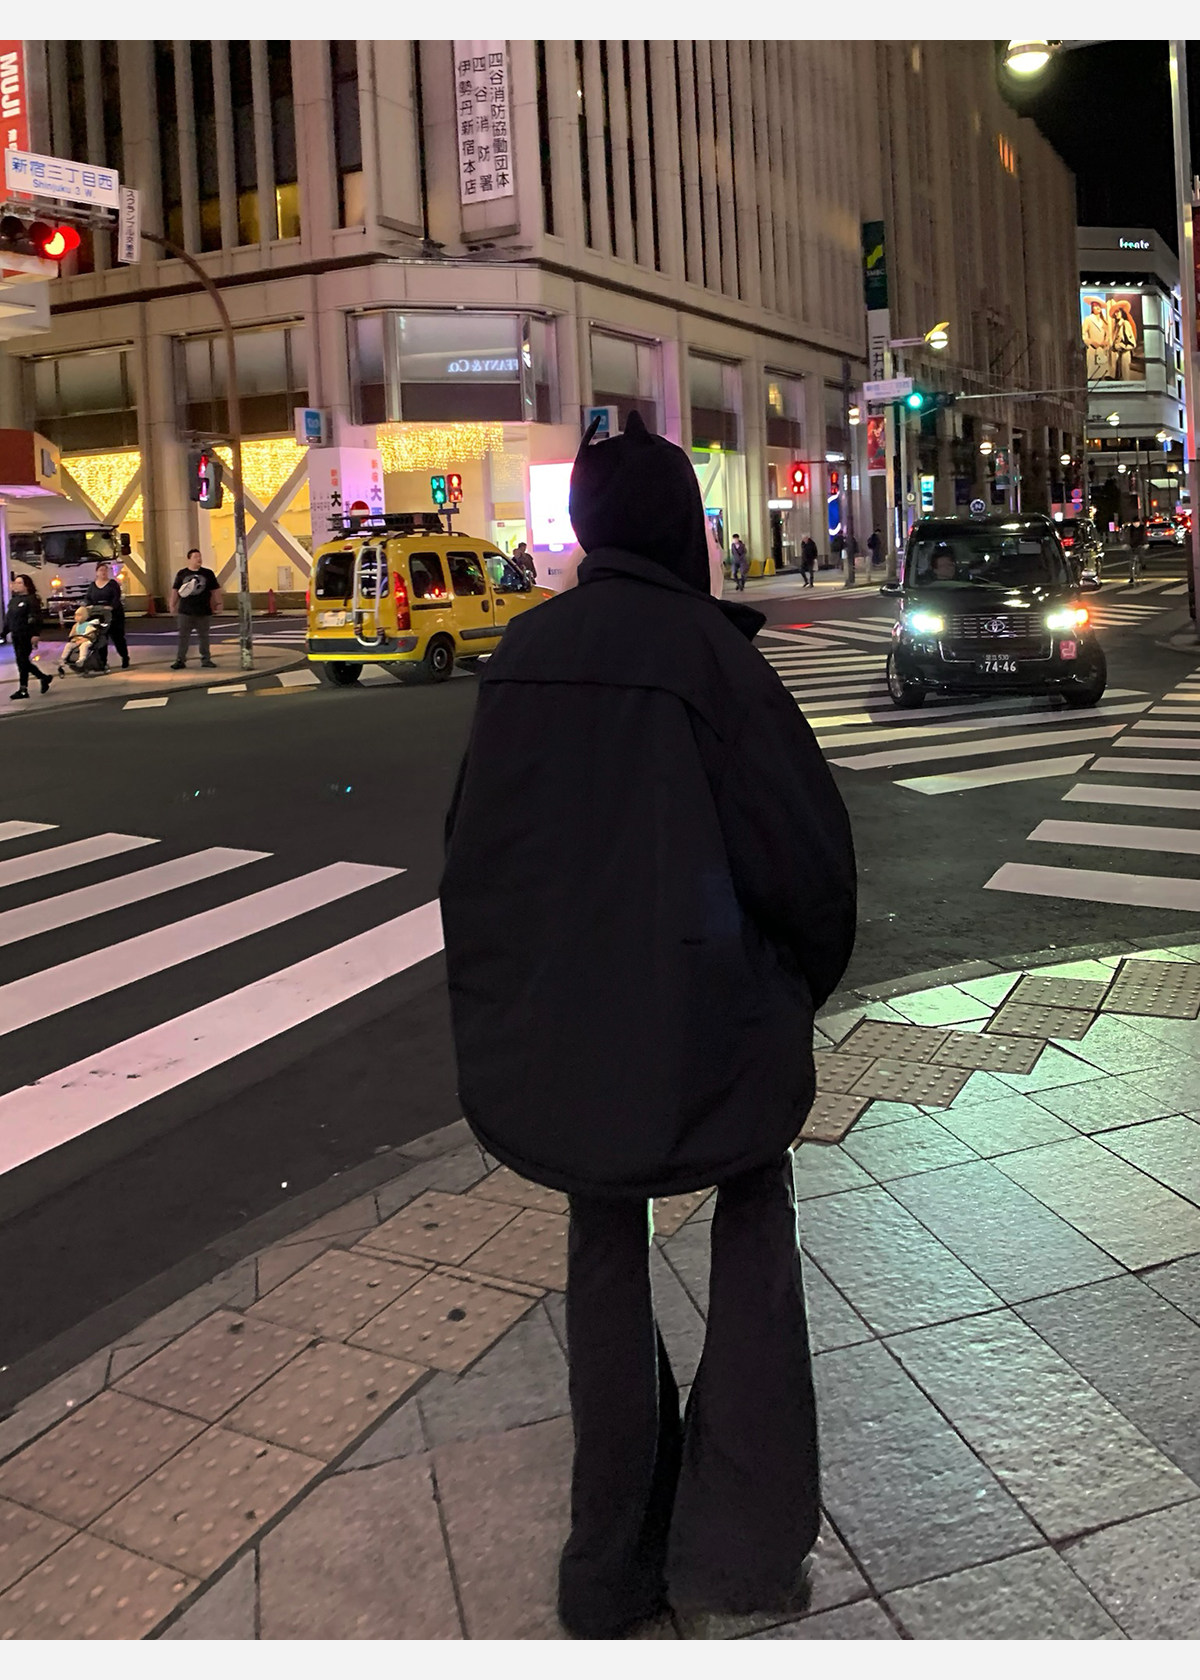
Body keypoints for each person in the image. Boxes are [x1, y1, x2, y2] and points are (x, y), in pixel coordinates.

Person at [441, 409, 857, 1639]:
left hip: (567, 1029)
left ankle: (608, 1565)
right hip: (715, 1017)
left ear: (586, 527)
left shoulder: (524, 654)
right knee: (753, 1229)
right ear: (685, 529)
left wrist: (517, 999)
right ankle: (738, 1557)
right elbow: (807, 863)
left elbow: (477, 859)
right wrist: (789, 986)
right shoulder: (715, 663)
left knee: (603, 1246)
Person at [2, 574, 55, 700]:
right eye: (15, 582)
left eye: (20, 583)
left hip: (26, 634)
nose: (16, 585)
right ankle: (43, 677)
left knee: (22, 661)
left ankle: (23, 689)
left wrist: (35, 634)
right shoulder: (14, 601)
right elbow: (9, 618)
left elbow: (35, 618)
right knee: (22, 661)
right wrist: (3, 633)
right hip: (16, 634)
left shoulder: (31, 600)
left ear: (27, 585)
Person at [169, 548, 222, 669]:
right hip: (185, 611)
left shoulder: (208, 573)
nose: (199, 559)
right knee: (183, 637)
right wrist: (172, 604)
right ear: (189, 559)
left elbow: (215, 590)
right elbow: (175, 590)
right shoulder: (182, 573)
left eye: (200, 556)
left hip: (204, 611)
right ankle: (180, 660)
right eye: (195, 557)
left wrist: (219, 603)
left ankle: (206, 659)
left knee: (204, 637)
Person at [86, 560, 129, 670]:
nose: (103, 572)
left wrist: (111, 607)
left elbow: (116, 597)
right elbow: (88, 598)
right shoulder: (92, 586)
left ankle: (124, 657)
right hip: (99, 616)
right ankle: (102, 662)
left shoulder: (112, 584)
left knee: (118, 638)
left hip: (114, 616)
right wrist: (88, 606)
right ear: (97, 572)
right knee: (101, 640)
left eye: (105, 570)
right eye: (101, 570)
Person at [58, 605, 102, 674]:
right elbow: (71, 635)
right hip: (77, 640)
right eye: (76, 615)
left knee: (83, 646)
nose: (76, 617)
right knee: (68, 645)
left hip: (86, 640)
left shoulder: (88, 625)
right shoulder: (75, 626)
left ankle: (81, 659)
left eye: (79, 615)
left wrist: (82, 640)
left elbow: (91, 635)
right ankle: (63, 658)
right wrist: (74, 640)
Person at [1082, 297, 1111, 382]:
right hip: (1092, 350)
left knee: (1103, 375)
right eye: (1094, 306)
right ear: (1092, 308)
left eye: (1098, 306)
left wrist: (1106, 342)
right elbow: (1083, 334)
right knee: (1094, 376)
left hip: (1102, 351)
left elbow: (1108, 335)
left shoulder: (1104, 321)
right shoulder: (1088, 319)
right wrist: (1091, 342)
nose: (1097, 307)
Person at [1127, 519, 1145, 584]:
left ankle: (1143, 564)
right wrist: (1126, 544)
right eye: (1134, 523)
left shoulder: (1142, 528)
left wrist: (1146, 543)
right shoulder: (1130, 529)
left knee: (1141, 555)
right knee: (1131, 562)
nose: (1136, 524)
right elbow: (1127, 536)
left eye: (1137, 523)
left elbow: (1145, 536)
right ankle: (1131, 577)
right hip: (1132, 545)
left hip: (1140, 545)